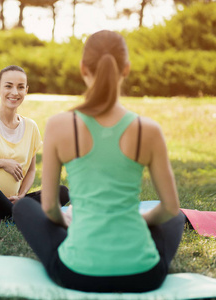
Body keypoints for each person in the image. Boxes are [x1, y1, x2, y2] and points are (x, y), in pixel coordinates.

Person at [13, 30, 185, 293]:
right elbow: (171, 208)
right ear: (126, 69)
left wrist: (68, 222)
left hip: (77, 274)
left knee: (24, 207)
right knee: (175, 219)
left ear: (83, 68)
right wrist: (143, 220)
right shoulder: (147, 130)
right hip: (144, 277)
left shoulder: (59, 125)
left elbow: (49, 208)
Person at [0, 65, 69, 223]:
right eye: (8, 86)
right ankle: (22, 214)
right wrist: (2, 163)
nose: (15, 92)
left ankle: (10, 213)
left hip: (11, 202)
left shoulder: (31, 127)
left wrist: (22, 195)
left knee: (62, 192)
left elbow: (31, 170)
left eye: (20, 87)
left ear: (26, 90)